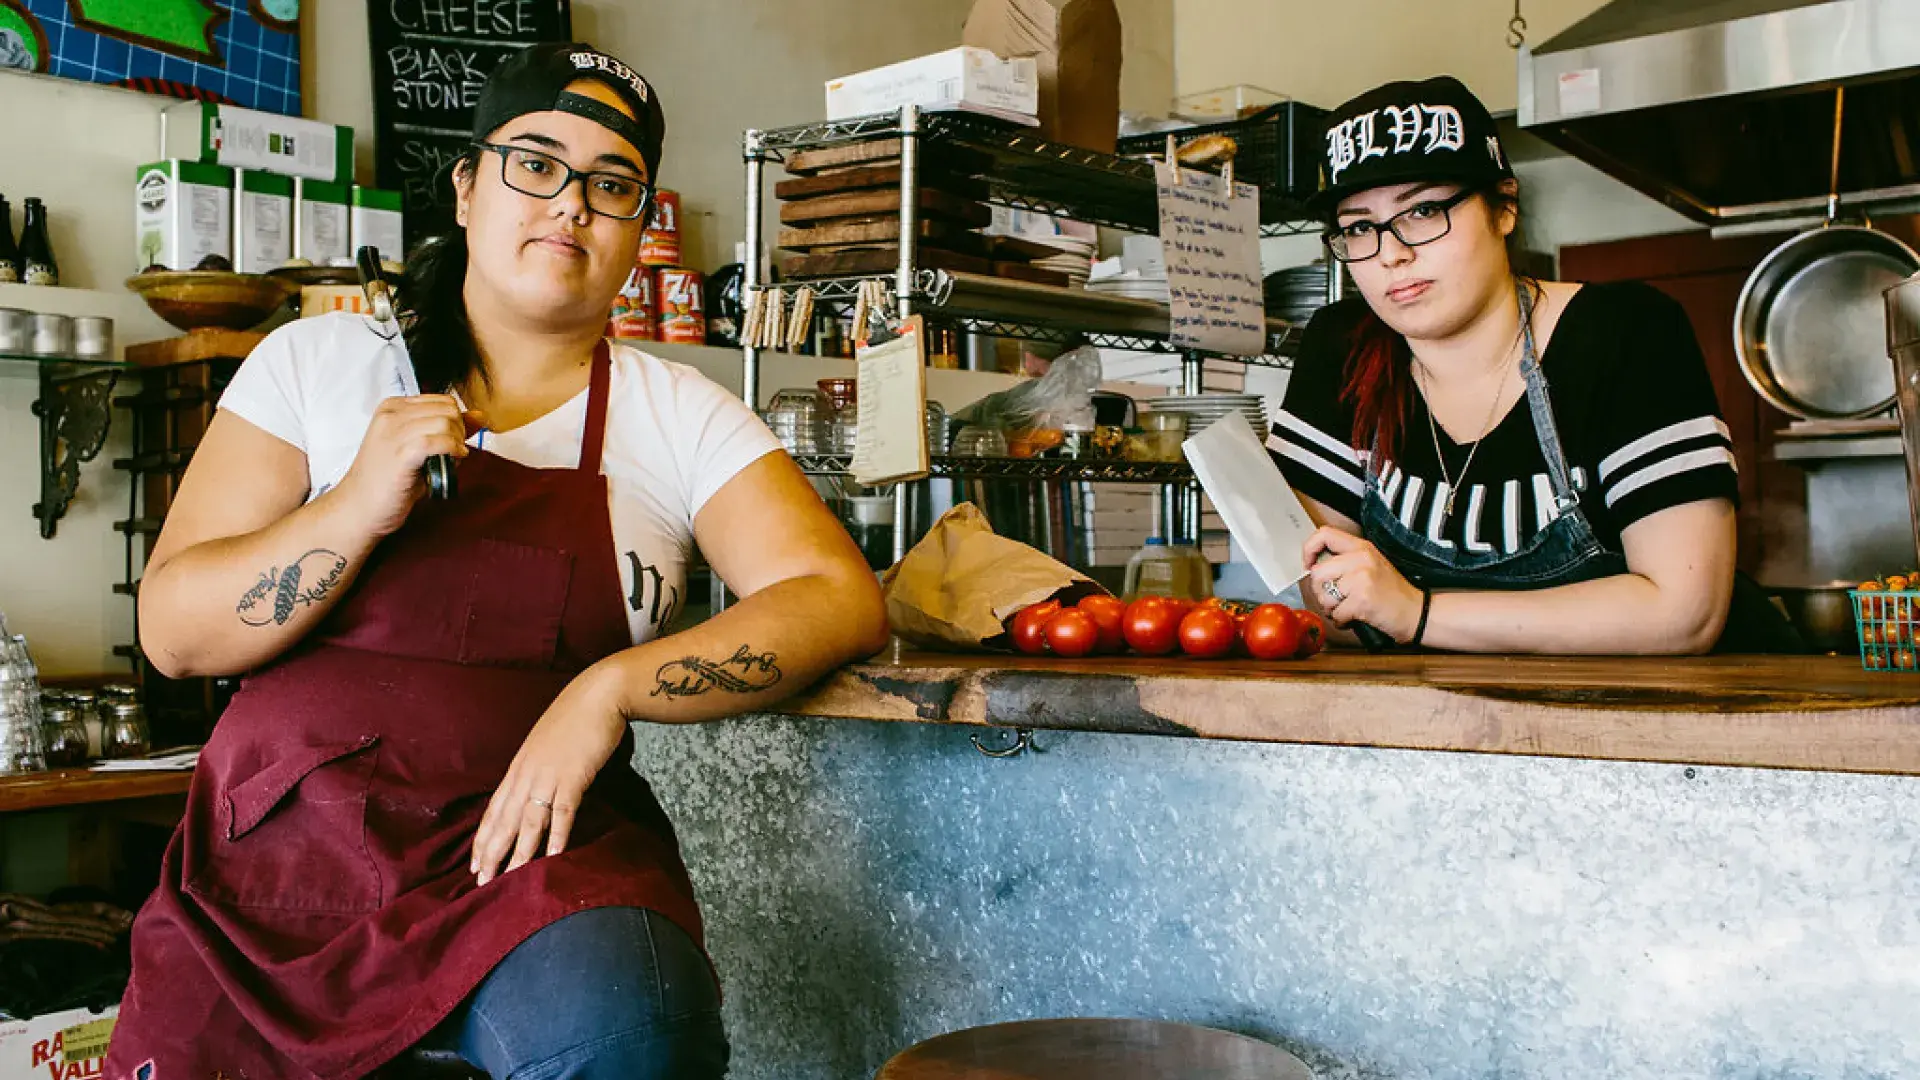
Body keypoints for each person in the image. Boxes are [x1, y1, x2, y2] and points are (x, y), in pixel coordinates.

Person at [105, 43, 889, 1080]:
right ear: (468, 188)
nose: (571, 204)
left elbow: (835, 598)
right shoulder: (317, 362)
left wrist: (607, 692)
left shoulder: (679, 414)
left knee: (630, 1028)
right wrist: (351, 510)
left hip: (530, 868)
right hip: (275, 879)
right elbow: (172, 631)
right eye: (537, 163)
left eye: (612, 184)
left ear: (635, 228)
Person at [1269, 75, 1795, 654]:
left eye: (1422, 210)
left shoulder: (1628, 334)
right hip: (1446, 730)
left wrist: (1417, 614)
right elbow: (1337, 607)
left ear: (1504, 209)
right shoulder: (1339, 351)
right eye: (1360, 227)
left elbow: (1684, 612)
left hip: (1678, 725)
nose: (1392, 253)